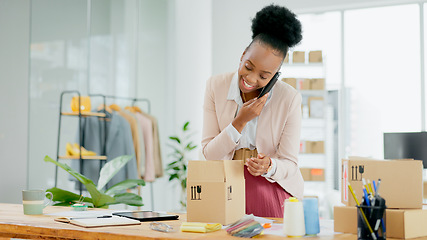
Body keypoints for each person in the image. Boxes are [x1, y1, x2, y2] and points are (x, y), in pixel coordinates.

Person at [201, 4, 303, 218]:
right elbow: (209, 153)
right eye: (248, 67)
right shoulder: (215, 86)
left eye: (264, 76)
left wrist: (270, 166)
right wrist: (240, 121)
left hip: (271, 187)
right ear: (242, 55)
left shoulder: (289, 98)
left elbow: (290, 164)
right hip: (226, 184)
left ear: (276, 75)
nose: (251, 79)